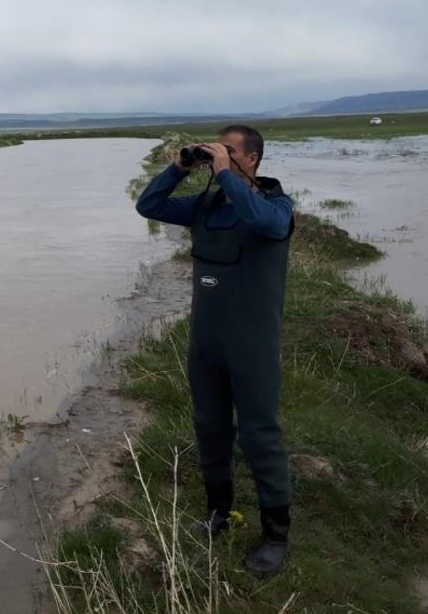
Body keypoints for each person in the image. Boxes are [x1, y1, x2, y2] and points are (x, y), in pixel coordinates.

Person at [135, 125, 294, 575]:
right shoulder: (205, 208)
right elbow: (148, 205)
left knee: (260, 434)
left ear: (254, 159)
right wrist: (178, 167)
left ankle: (276, 535)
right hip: (206, 340)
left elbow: (267, 223)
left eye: (229, 151)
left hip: (252, 343)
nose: (217, 156)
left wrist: (227, 174)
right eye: (215, 150)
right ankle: (218, 511)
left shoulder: (276, 206)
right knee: (209, 425)